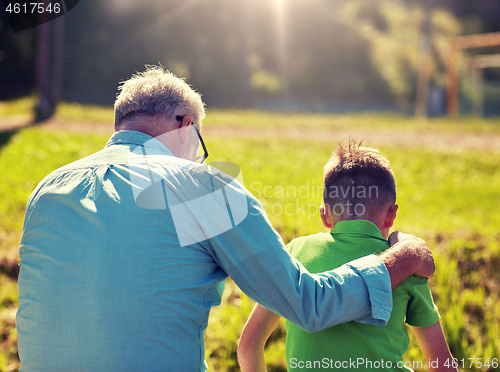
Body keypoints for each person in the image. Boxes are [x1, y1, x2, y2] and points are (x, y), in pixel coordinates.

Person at [17, 65, 434, 372]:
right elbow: (308, 304)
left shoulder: (48, 189)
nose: (199, 156)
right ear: (185, 126)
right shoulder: (201, 188)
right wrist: (404, 257)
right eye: (199, 143)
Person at [238, 139, 456, 372]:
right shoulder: (408, 267)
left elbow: (249, 344)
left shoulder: (296, 253)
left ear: (324, 215)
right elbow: (442, 365)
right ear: (391, 215)